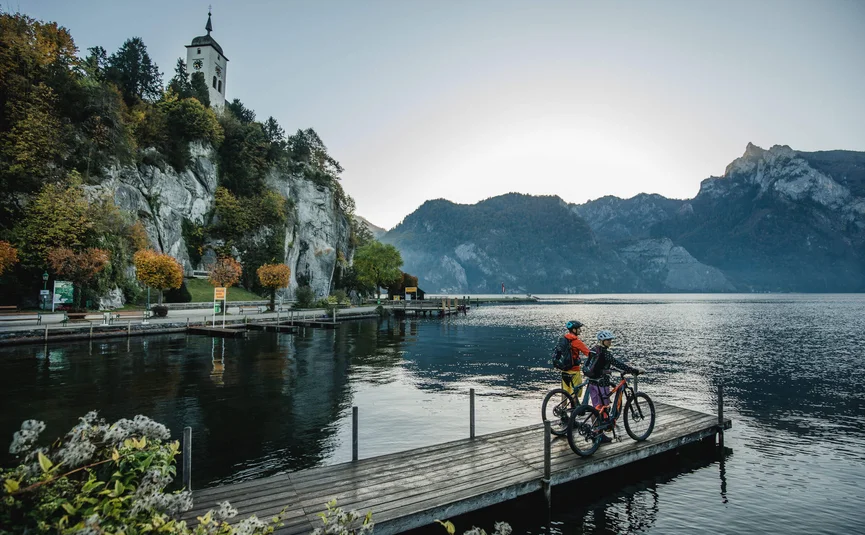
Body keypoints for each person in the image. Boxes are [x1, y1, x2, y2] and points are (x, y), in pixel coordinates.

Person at [585, 330, 642, 443]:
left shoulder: (593, 349)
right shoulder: (605, 353)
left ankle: (596, 432)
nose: (610, 342)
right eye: (608, 340)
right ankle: (600, 435)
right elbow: (617, 363)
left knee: (596, 407)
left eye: (610, 340)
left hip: (592, 382)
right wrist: (633, 370)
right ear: (603, 341)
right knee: (605, 407)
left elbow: (589, 364)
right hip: (602, 383)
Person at [561, 320, 591, 402]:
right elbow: (588, 353)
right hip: (574, 370)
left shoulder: (564, 339)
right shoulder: (576, 341)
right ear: (574, 330)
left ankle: (563, 411)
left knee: (565, 391)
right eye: (579, 329)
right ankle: (574, 411)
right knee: (575, 392)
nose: (580, 330)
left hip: (564, 369)